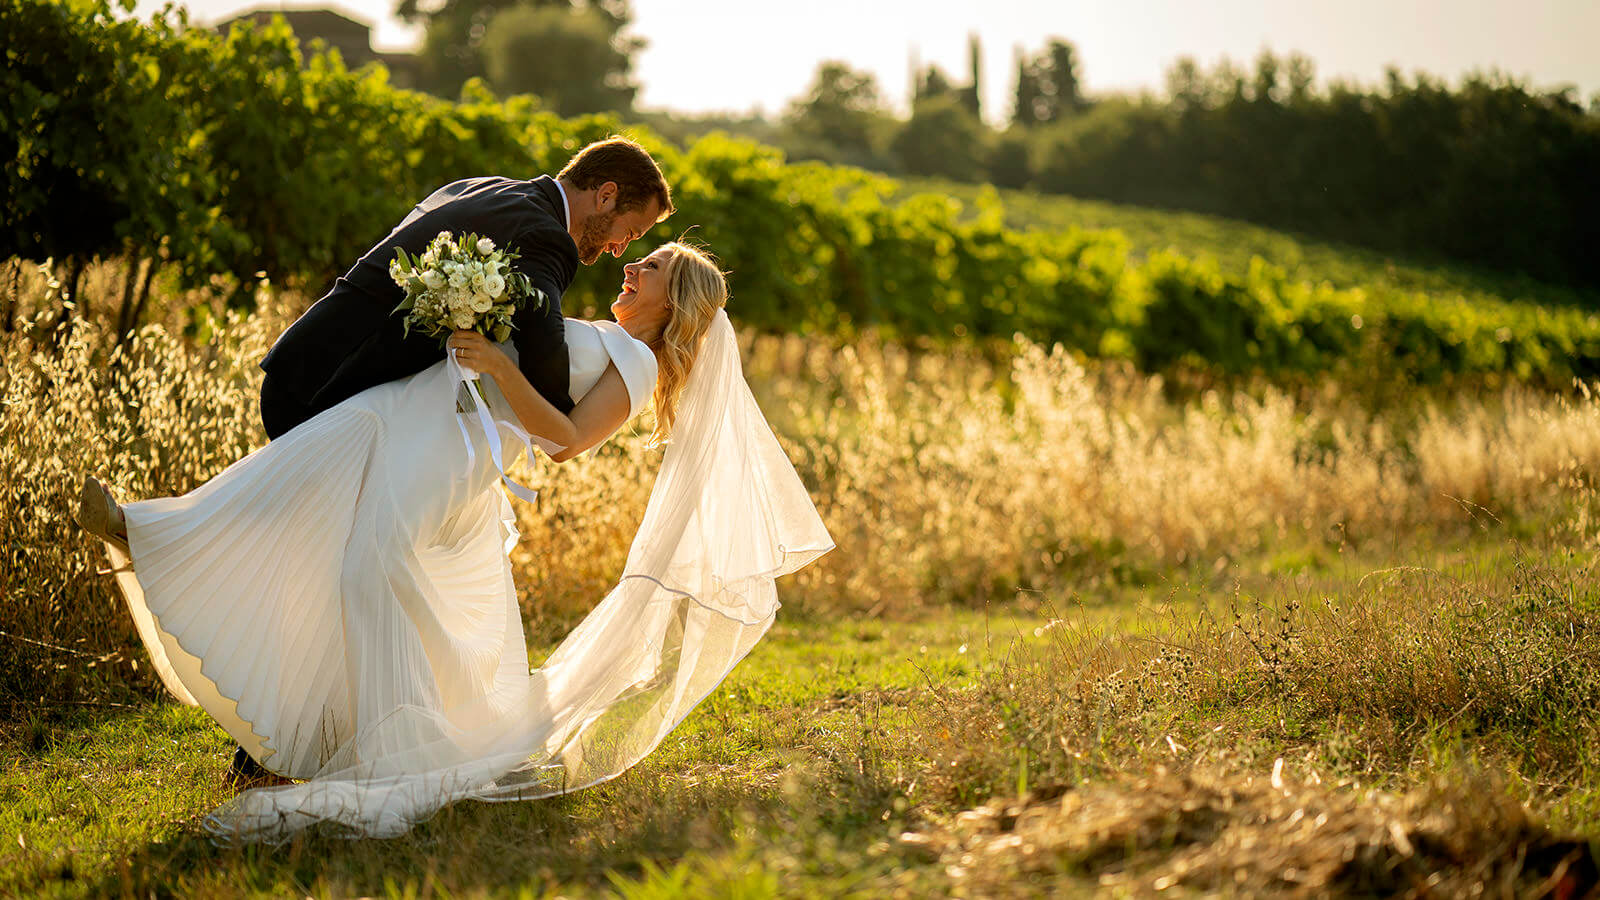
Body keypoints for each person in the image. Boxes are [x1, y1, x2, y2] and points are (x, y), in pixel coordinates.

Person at [76, 242, 834, 842]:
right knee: (300, 478)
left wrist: (500, 362)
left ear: (677, 303)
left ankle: (358, 745)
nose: (633, 267)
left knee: (368, 573)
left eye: (655, 266)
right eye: (643, 258)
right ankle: (156, 528)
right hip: (411, 414)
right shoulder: (604, 334)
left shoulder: (636, 363)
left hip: (450, 456)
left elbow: (566, 440)